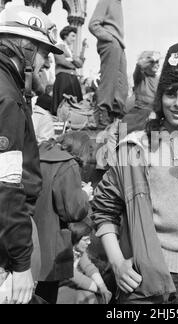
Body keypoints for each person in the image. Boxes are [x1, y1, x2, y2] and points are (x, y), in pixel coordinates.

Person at [92, 42, 178, 304]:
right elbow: (104, 209)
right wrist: (118, 263)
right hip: (141, 277)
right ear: (160, 97)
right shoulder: (135, 145)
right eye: (170, 94)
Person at [0, 5, 63, 305]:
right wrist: (22, 264)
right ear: (23, 48)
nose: (47, 63)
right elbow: (6, 186)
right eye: (43, 53)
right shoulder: (7, 98)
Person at [34, 132, 93, 304]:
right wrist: (84, 194)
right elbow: (73, 211)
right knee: (45, 298)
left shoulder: (39, 155)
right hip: (50, 249)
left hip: (28, 241)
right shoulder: (68, 164)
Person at [89, 0, 129, 129]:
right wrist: (109, 38)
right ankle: (103, 115)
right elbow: (93, 24)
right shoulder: (106, 1)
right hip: (111, 42)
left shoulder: (118, 3)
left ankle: (115, 115)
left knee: (121, 83)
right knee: (109, 79)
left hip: (118, 44)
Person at [57, 222, 112, 304]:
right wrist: (98, 289)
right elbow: (74, 275)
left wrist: (102, 286)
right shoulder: (63, 251)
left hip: (70, 285)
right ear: (76, 239)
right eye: (86, 240)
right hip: (56, 288)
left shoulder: (79, 250)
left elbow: (88, 267)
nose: (89, 242)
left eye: (89, 239)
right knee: (86, 296)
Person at [122, 51, 161, 134]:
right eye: (153, 62)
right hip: (139, 111)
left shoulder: (159, 80)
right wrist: (151, 58)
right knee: (123, 125)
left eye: (158, 62)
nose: (157, 64)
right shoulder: (140, 77)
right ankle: (121, 145)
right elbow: (139, 65)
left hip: (153, 112)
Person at [52, 26, 88, 115]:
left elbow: (80, 64)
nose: (74, 39)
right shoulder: (58, 47)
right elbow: (61, 61)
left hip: (73, 78)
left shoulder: (70, 51)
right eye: (72, 36)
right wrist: (73, 62)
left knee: (75, 104)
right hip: (63, 78)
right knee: (63, 103)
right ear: (65, 36)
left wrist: (82, 49)